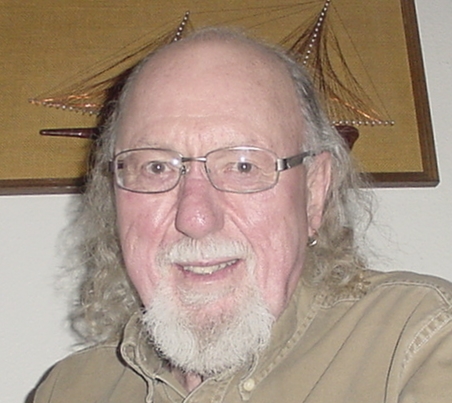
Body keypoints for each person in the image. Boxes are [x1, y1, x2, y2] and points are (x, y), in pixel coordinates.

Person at [31, 27, 452, 402]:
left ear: (313, 191)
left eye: (243, 166)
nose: (195, 218)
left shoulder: (420, 345)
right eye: (156, 167)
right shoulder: (70, 389)